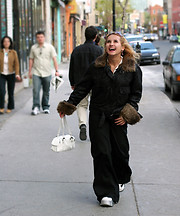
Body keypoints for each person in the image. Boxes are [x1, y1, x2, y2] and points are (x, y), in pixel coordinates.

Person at [57, 33, 142, 207]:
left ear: (122, 47)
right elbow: (82, 88)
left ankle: (120, 177)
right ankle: (106, 193)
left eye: (115, 42)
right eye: (108, 42)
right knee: (102, 153)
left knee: (120, 153)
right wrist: (68, 106)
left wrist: (127, 114)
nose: (111, 44)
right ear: (105, 46)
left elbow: (136, 94)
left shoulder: (132, 67)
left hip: (119, 118)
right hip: (98, 116)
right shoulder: (96, 66)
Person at [69, 26, 103, 140]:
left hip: (80, 83)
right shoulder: (100, 51)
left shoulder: (77, 50)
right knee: (97, 105)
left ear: (85, 35)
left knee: (82, 106)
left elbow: (72, 67)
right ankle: (97, 128)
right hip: (97, 83)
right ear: (95, 37)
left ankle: (82, 124)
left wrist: (72, 82)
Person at [29, 31, 60, 115]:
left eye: (41, 37)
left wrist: (56, 71)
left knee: (46, 91)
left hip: (47, 72)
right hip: (36, 72)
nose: (40, 38)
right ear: (36, 38)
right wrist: (30, 71)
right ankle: (36, 107)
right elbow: (31, 59)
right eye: (38, 37)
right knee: (36, 90)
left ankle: (45, 107)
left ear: (44, 37)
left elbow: (54, 59)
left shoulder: (50, 47)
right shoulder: (33, 48)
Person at [0, 36, 21, 114]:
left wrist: (17, 74)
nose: (6, 43)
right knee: (1, 91)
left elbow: (17, 64)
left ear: (10, 43)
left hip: (11, 74)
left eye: (8, 41)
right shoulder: (0, 52)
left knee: (10, 92)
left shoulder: (13, 52)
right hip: (1, 74)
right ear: (2, 43)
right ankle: (1, 107)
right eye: (5, 41)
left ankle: (10, 107)